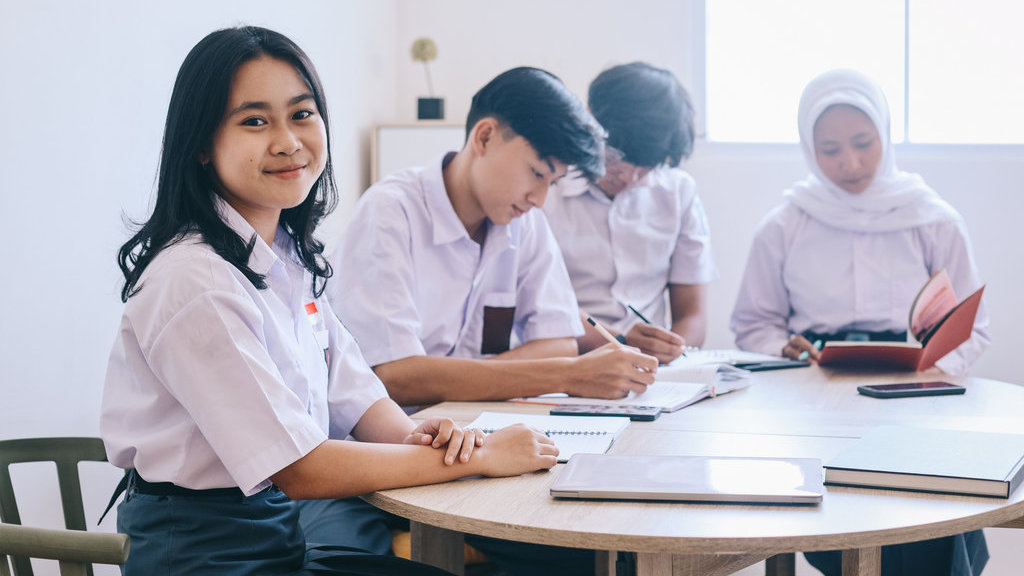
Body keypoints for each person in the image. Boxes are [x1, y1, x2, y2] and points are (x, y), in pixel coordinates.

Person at [100, 26, 558, 576]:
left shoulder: (288, 257)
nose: (288, 141)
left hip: (276, 537)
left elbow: (358, 397)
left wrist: (424, 437)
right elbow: (300, 468)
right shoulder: (193, 280)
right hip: (204, 555)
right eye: (254, 121)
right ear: (201, 143)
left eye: (302, 114)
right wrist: (480, 457)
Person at [325, 66, 656, 576]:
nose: (540, 197)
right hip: (382, 456)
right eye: (537, 172)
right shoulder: (391, 213)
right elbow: (393, 377)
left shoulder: (525, 225)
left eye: (554, 181)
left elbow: (556, 343)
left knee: (601, 550)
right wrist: (562, 377)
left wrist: (458, 375)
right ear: (484, 136)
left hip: (476, 448)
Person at [730, 69, 989, 576]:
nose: (850, 163)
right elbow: (753, 323)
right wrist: (786, 350)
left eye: (863, 143)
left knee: (931, 510)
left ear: (885, 134)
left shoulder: (932, 218)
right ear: (808, 146)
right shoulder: (785, 224)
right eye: (829, 149)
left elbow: (971, 327)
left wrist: (936, 364)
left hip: (917, 389)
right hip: (816, 391)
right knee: (843, 518)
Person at [544, 62, 717, 365]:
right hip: (568, 359)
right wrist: (621, 344)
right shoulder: (545, 187)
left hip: (653, 370)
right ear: (588, 118)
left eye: (646, 166)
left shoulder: (677, 191)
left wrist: (673, 350)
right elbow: (538, 308)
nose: (628, 177)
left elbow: (692, 314)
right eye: (617, 158)